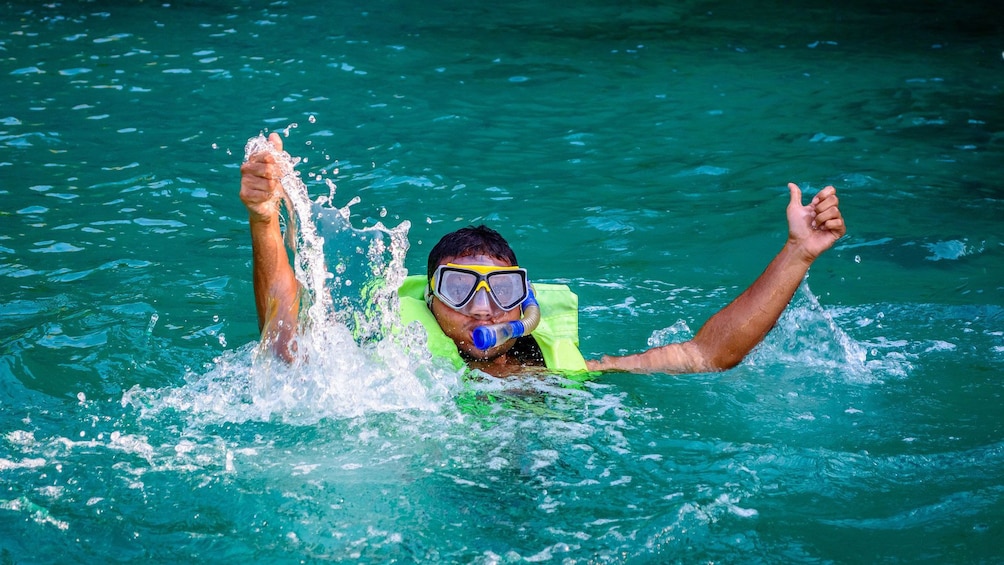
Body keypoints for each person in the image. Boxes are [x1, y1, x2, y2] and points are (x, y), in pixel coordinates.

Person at [240, 133, 846, 376]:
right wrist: (265, 221)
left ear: (525, 300)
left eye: (500, 291)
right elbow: (283, 342)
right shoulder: (387, 375)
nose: (482, 311)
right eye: (459, 290)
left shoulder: (565, 370)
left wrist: (798, 253)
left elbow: (708, 353)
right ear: (429, 300)